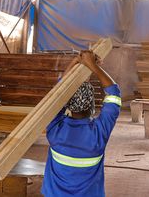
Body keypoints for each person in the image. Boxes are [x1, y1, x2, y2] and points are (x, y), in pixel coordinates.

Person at [42, 50, 121, 197]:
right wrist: (92, 66)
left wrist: (74, 63)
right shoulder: (99, 133)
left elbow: (55, 97)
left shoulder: (55, 130)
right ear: (92, 104)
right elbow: (114, 95)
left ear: (67, 103)